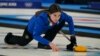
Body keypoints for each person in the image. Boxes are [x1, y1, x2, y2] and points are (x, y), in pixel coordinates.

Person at [4, 4, 76, 52]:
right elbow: (35, 35)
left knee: (62, 22)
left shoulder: (61, 15)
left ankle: (42, 44)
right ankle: (9, 37)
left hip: (47, 28)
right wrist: (50, 43)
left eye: (59, 15)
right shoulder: (41, 19)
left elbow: (70, 19)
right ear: (49, 14)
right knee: (23, 42)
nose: (57, 18)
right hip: (31, 31)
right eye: (55, 15)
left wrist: (72, 36)